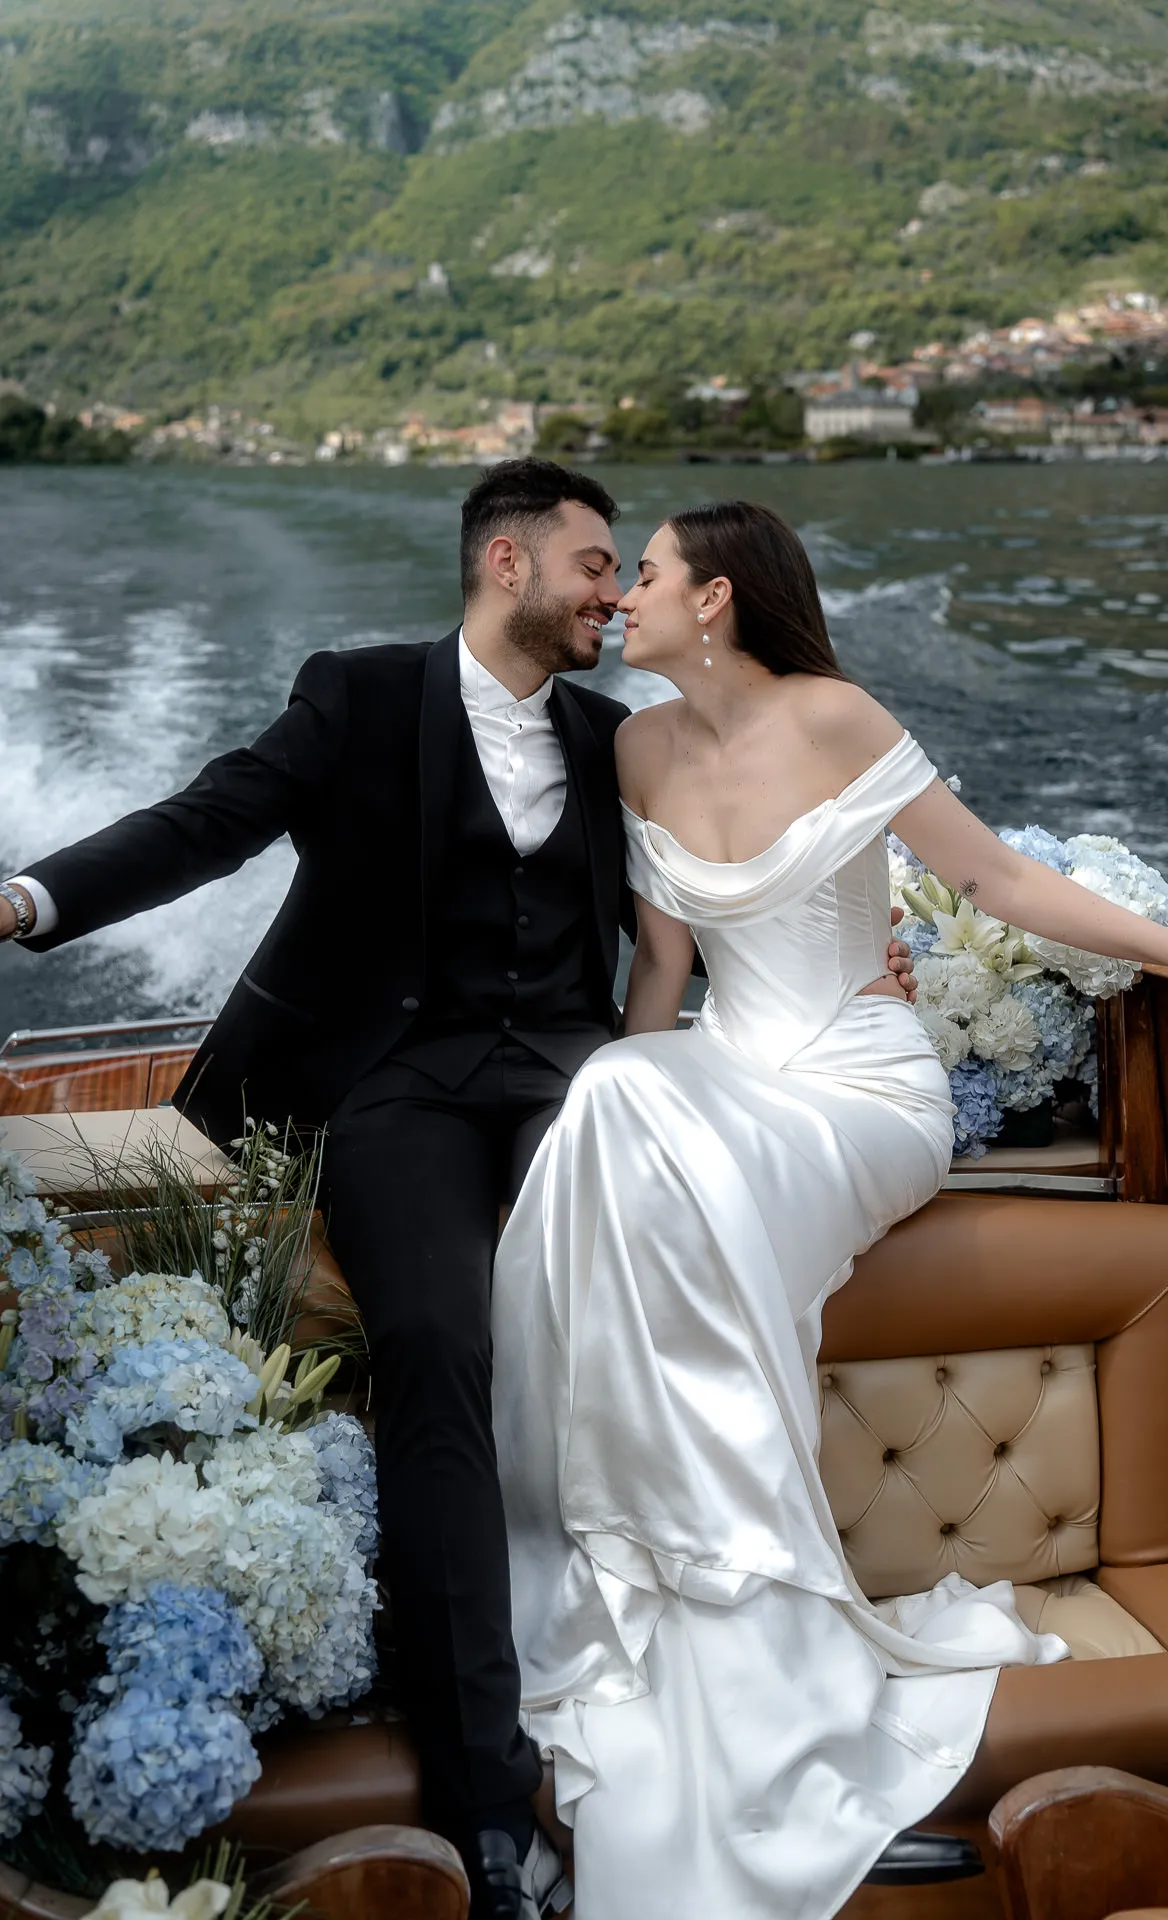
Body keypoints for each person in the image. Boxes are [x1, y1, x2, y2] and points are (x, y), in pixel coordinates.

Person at [0, 463, 921, 1919]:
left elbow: (702, 925)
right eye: (595, 566)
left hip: (571, 1072)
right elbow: (205, 822)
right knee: (437, 1345)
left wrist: (874, 970)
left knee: (644, 1296)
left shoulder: (616, 736)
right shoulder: (357, 701)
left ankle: (713, 1678)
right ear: (508, 562)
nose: (616, 594)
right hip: (397, 1083)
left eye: (630, 573)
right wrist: (24, 900)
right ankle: (486, 1807)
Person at [490, 499, 1168, 1920]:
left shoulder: (838, 718)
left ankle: (734, 1613)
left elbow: (995, 879)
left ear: (717, 599)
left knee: (624, 1098)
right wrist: (609, 1087)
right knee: (615, 1091)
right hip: (725, 1070)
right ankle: (656, 1583)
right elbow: (663, 968)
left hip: (863, 1085)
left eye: (647, 576)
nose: (623, 602)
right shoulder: (633, 746)